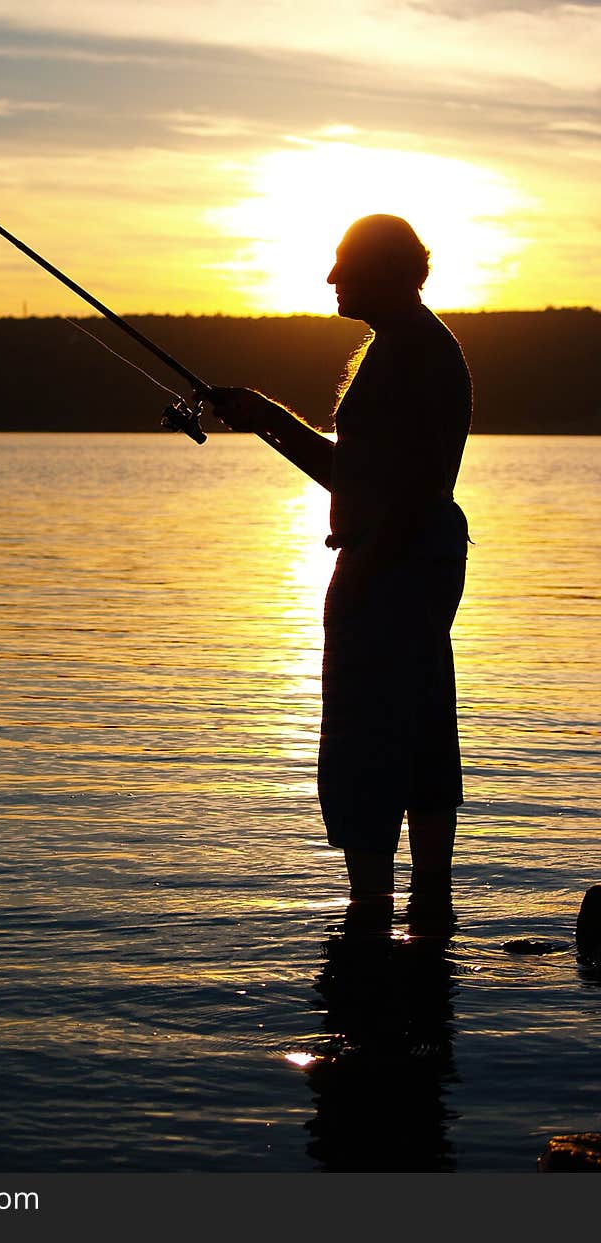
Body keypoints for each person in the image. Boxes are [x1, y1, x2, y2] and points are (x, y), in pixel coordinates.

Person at [209, 214, 471, 914]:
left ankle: (375, 920)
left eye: (344, 266)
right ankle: (421, 925)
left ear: (386, 272)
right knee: (415, 734)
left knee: (371, 745)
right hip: (411, 562)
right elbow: (354, 475)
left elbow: (409, 489)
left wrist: (363, 575)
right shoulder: (406, 345)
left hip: (390, 568)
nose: (330, 279)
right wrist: (262, 414)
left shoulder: (413, 351)